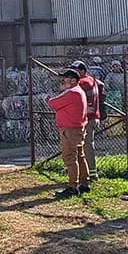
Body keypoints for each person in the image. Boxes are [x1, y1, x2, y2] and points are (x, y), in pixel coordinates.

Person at [47, 69, 90, 197]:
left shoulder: (72, 92)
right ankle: (84, 183)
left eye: (65, 78)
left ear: (73, 80)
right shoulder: (79, 91)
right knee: (80, 156)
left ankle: (73, 186)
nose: (62, 81)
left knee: (70, 157)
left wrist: (49, 99)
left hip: (70, 130)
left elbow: (53, 103)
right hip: (77, 128)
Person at [70, 60, 105, 181]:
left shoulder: (82, 82)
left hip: (87, 117)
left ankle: (91, 172)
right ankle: (86, 171)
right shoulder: (92, 79)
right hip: (94, 116)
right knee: (85, 144)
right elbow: (101, 85)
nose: (73, 73)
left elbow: (74, 97)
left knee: (86, 145)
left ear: (82, 71)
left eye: (75, 71)